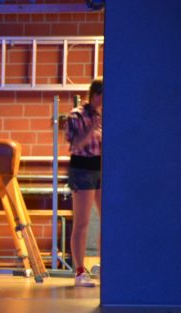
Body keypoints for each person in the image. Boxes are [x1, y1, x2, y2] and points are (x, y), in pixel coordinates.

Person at [65, 77, 103, 287]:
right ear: (96, 95)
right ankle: (80, 271)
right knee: (82, 221)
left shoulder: (105, 115)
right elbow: (75, 145)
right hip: (82, 168)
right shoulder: (76, 115)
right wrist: (91, 128)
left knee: (108, 221)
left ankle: (106, 265)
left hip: (102, 167)